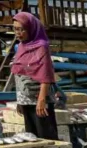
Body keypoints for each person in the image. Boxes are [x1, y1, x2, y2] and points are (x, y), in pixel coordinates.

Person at [11, 12, 59, 140]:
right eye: (15, 29)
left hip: (39, 99)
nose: (18, 33)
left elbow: (46, 74)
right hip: (25, 99)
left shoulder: (41, 46)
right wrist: (20, 101)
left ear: (31, 28)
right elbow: (20, 73)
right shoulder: (21, 46)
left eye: (21, 29)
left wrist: (41, 100)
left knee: (46, 135)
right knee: (32, 136)